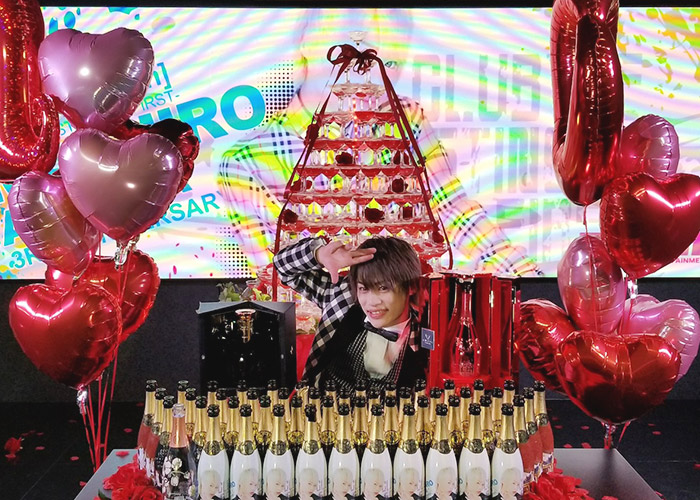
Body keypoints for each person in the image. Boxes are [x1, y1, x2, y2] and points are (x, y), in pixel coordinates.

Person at [218, 9, 540, 279]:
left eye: (386, 63)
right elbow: (277, 277)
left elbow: (453, 211)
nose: (365, 74)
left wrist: (529, 282)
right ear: (308, 40)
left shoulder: (404, 119)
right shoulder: (248, 162)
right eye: (350, 55)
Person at [273, 235, 428, 390]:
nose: (372, 302)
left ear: (411, 286)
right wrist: (318, 254)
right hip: (321, 402)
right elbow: (283, 267)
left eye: (383, 288)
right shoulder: (341, 297)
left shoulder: (427, 330)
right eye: (364, 288)